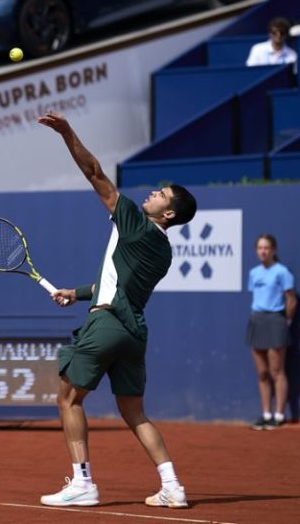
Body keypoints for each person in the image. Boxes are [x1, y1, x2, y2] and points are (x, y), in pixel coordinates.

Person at [36, 110, 197, 510]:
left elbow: (94, 172)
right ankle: (172, 484)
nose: (153, 194)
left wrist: (67, 132)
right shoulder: (163, 252)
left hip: (106, 324)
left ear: (168, 214)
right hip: (133, 333)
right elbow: (120, 284)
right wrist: (77, 292)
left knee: (68, 399)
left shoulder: (135, 223)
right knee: (135, 412)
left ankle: (82, 482)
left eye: (161, 195)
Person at [246, 234, 296, 430]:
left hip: (276, 320)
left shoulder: (282, 272)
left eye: (266, 248)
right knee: (262, 373)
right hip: (256, 320)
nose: (263, 251)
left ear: (274, 250)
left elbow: (291, 300)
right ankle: (266, 414)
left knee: (277, 371)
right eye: (259, 248)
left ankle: (279, 415)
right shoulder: (254, 273)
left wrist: (287, 321)